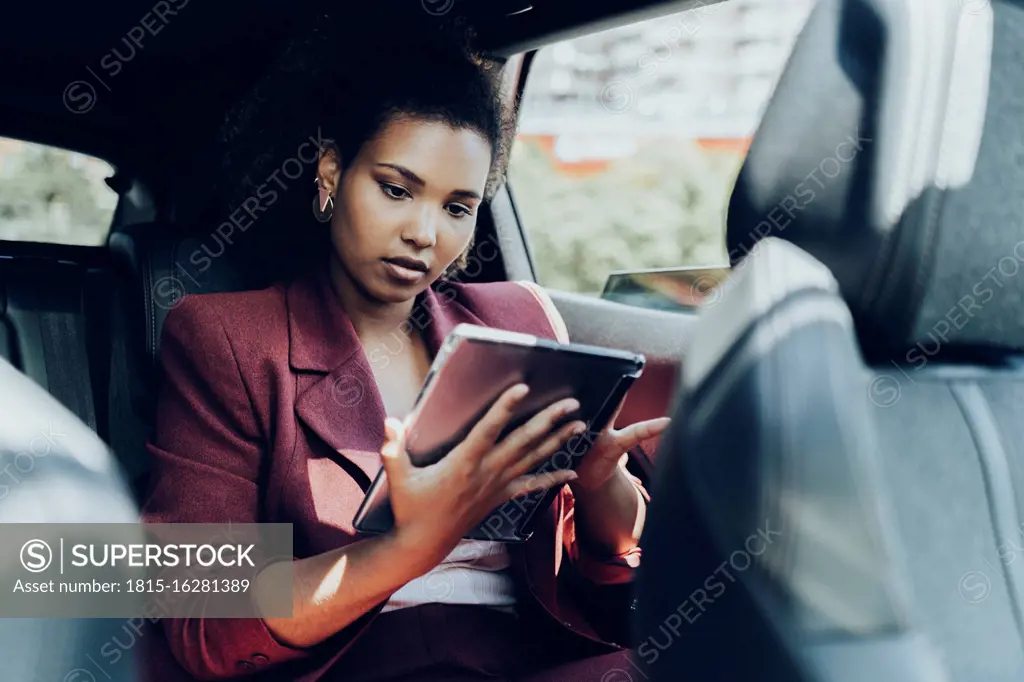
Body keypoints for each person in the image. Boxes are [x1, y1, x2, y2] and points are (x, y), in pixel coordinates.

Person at [140, 19, 670, 682]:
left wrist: (600, 488)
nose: (424, 233)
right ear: (331, 173)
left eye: (457, 207)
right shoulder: (228, 340)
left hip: (532, 657)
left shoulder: (518, 318)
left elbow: (602, 578)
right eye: (396, 189)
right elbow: (201, 617)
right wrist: (407, 548)